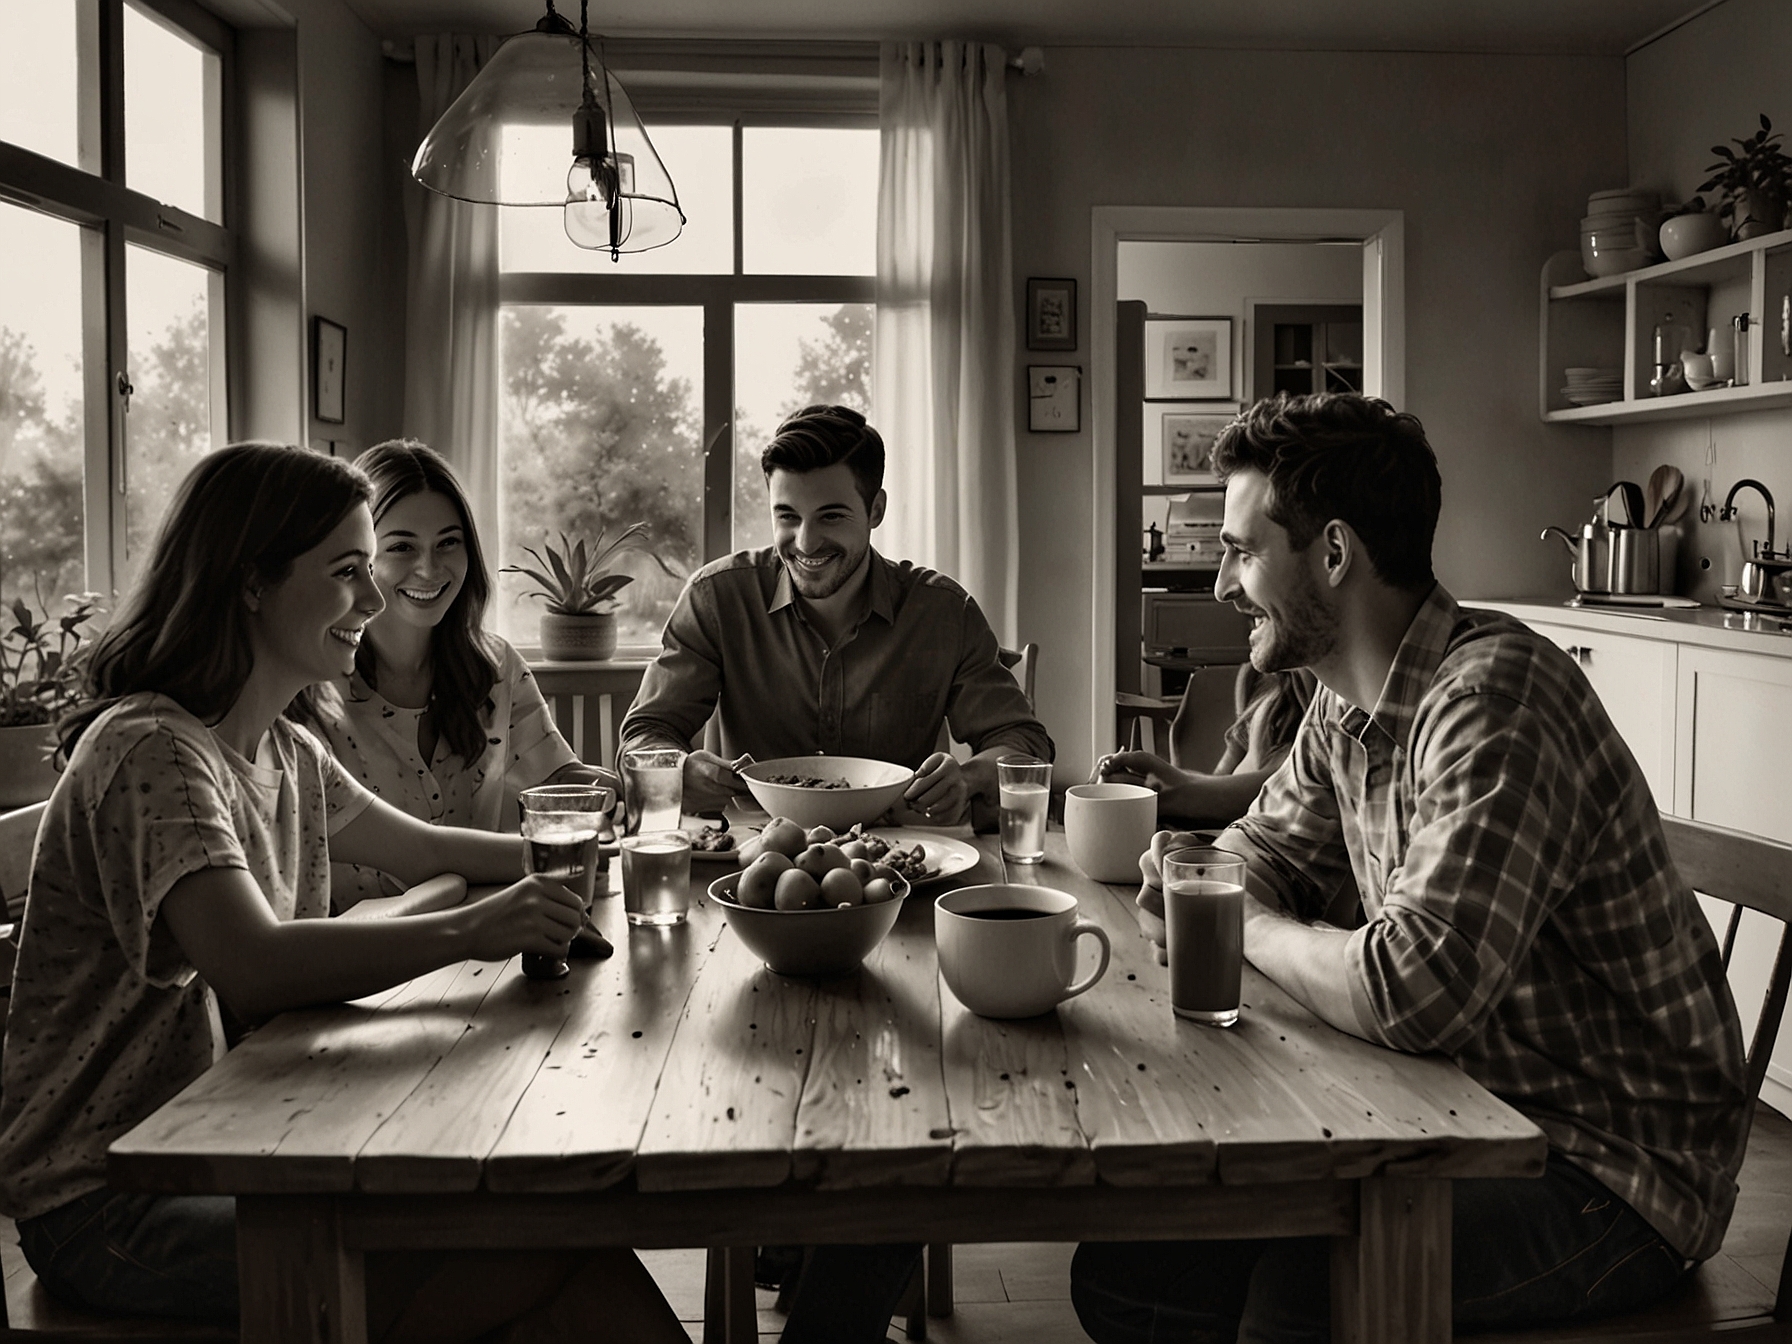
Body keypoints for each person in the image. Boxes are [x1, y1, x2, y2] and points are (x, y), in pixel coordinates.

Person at [1072, 393, 1749, 1342]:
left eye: (1240, 549)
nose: (1222, 582)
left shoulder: (1495, 700)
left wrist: (1247, 922)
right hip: (1443, 1103)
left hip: (1605, 1165)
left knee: (1302, 1300)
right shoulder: (1342, 706)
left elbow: (1411, 989)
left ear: (1336, 553)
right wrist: (1229, 891)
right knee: (1130, 1273)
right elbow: (1253, 854)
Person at [0, 443, 685, 1343]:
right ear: (251, 582)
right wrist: (478, 927)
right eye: (349, 571)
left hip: (237, 1138)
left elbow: (432, 847)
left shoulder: (284, 749)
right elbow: (254, 968)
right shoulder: (153, 750)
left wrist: (605, 847)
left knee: (562, 1250)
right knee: (538, 1249)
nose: (376, 598)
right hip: (113, 1199)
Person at [619, 403, 1051, 825]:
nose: (806, 543)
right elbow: (645, 732)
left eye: (831, 516)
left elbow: (1025, 745)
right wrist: (675, 771)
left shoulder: (942, 612)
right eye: (787, 516)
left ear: (875, 511)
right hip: (753, 865)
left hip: (900, 862)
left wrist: (968, 776)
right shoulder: (716, 598)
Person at [301, 439, 616, 912]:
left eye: (448, 543)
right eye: (402, 547)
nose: (429, 568)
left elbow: (559, 782)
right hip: (359, 964)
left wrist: (632, 786)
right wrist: (561, 856)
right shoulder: (310, 686)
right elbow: (421, 853)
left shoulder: (495, 667)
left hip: (478, 952)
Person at [1095, 664, 1318, 827]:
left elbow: (1292, 785)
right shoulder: (1259, 682)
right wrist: (1166, 781)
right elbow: (1221, 778)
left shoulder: (1333, 710)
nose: (1225, 597)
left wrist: (1173, 795)